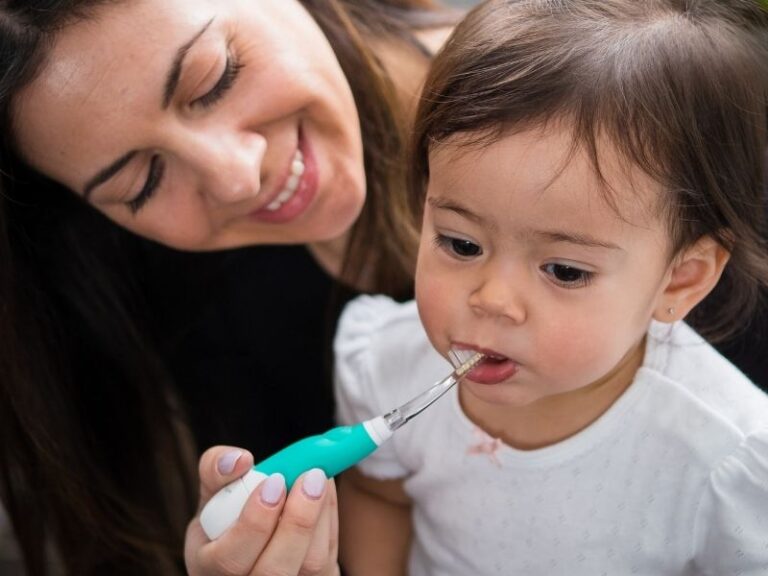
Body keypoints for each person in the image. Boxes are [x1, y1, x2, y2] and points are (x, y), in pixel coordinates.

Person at [0, 1, 459, 574]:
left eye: (215, 78)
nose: (238, 178)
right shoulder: (197, 315)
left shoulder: (586, 87)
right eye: (143, 183)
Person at [334, 0, 768, 574]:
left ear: (679, 280)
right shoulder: (390, 367)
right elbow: (379, 494)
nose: (491, 298)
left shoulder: (722, 457)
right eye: (461, 244)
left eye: (565, 271)